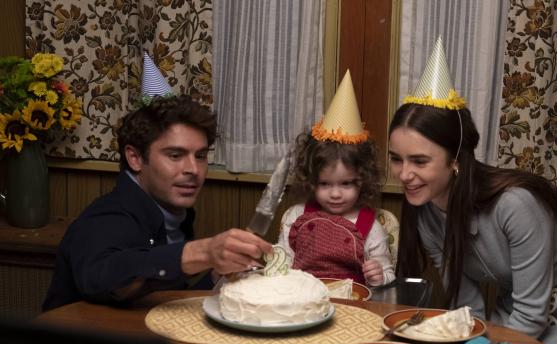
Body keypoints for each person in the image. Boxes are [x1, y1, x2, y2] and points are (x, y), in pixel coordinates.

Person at [389, 36, 557, 344]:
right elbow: (466, 305)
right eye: (397, 159)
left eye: (419, 161)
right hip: (519, 312)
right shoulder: (425, 213)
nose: (404, 174)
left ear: (456, 160)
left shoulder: (516, 205)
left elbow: (532, 314)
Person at [43, 93, 272, 310]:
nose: (194, 169)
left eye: (201, 156)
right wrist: (203, 252)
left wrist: (217, 277)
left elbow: (159, 300)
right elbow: (100, 279)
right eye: (175, 155)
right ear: (135, 158)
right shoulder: (106, 217)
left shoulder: (175, 213)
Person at [278, 70, 395, 287]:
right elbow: (282, 264)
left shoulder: (372, 227)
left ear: (363, 179)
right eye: (324, 184)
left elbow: (388, 274)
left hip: (353, 302)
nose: (335, 194)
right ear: (310, 180)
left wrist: (380, 275)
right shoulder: (296, 216)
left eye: (346, 183)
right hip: (303, 299)